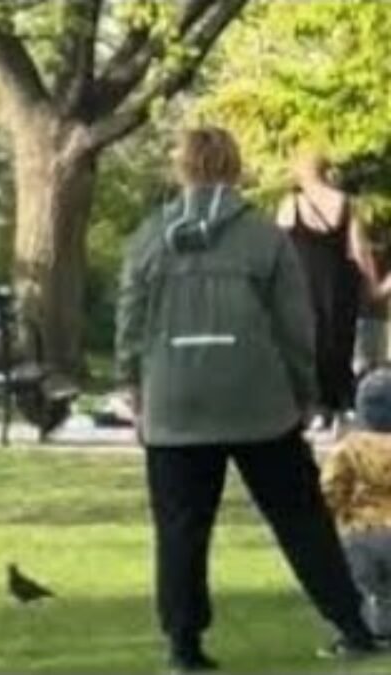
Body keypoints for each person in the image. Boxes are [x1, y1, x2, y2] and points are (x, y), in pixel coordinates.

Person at [116, 126, 379, 672]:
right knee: (299, 516)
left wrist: (133, 387)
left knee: (182, 526)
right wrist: (305, 391)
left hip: (174, 398)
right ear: (235, 169)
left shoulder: (149, 237)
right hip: (257, 399)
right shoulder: (263, 237)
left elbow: (131, 322)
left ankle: (183, 643)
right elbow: (294, 325)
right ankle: (351, 624)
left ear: (181, 168)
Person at [276, 152, 380, 433]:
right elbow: (359, 251)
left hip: (303, 284)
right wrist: (373, 285)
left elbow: (277, 248)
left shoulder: (291, 205)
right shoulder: (346, 204)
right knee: (340, 340)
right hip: (340, 286)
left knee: (309, 343)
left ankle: (315, 407)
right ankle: (341, 407)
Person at [322, 368, 391, 638]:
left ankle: (373, 628)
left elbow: (332, 490)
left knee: (369, 587)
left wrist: (336, 517)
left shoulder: (349, 448)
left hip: (360, 531)